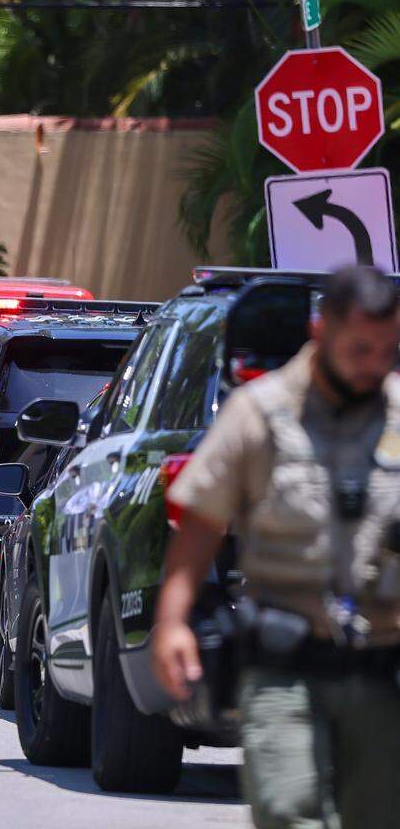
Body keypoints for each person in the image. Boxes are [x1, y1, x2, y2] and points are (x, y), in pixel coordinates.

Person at [152, 265, 400, 829]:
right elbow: (198, 527)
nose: (374, 363)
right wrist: (172, 623)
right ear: (322, 330)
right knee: (289, 812)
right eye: (360, 348)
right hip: (285, 663)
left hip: (382, 667)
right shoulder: (259, 413)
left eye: (388, 349)